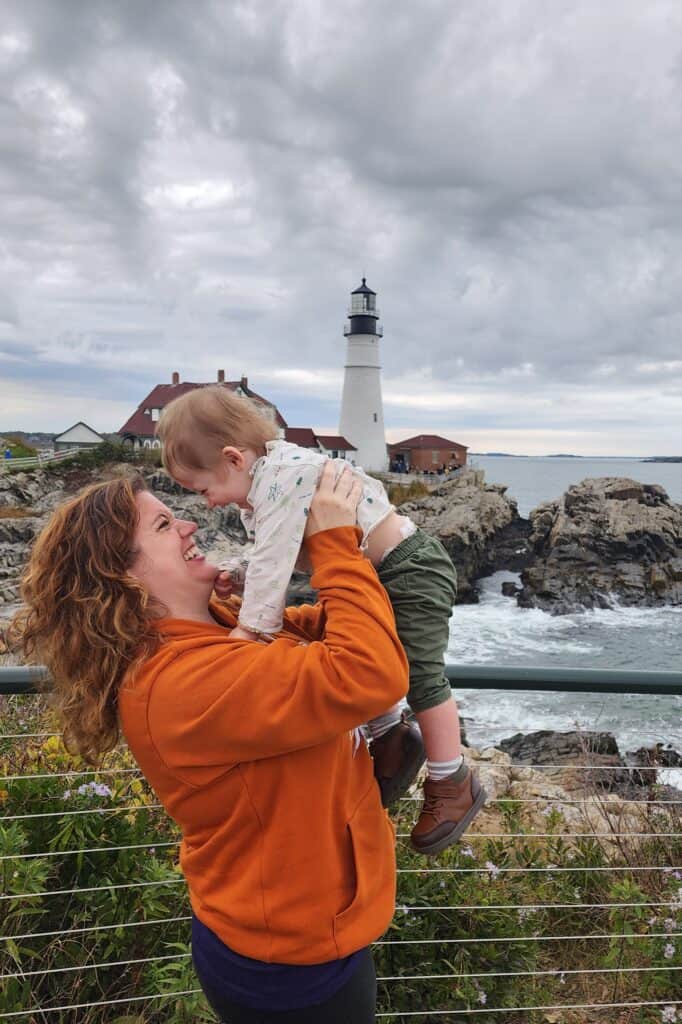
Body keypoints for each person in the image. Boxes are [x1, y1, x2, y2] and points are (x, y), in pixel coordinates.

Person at [16, 466, 409, 1022]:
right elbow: (368, 671)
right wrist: (333, 547)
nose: (188, 523)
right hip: (289, 962)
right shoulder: (182, 683)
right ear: (123, 575)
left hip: (302, 924)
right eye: (162, 524)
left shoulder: (216, 629)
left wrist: (270, 587)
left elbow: (331, 633)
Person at [156, 386, 486, 855]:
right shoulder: (268, 481)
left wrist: (250, 632)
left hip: (407, 568)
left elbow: (276, 561)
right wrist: (241, 575)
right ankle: (390, 736)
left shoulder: (281, 480)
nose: (208, 503)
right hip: (375, 568)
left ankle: (451, 780)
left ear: (232, 458)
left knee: (418, 674)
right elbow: (276, 554)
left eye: (204, 490)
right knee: (348, 639)